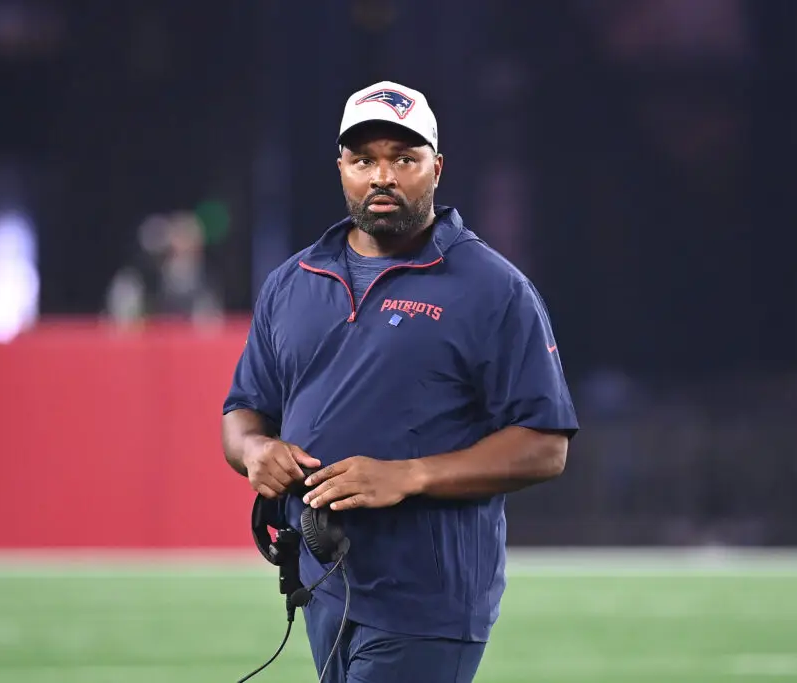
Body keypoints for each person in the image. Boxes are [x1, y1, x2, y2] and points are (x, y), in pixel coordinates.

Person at [222, 80, 579, 683]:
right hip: (325, 577)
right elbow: (243, 411)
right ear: (341, 168)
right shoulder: (293, 280)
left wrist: (409, 474)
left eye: (403, 159)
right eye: (364, 160)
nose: (381, 176)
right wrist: (256, 451)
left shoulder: (493, 288)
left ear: (436, 168)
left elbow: (546, 445)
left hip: (428, 595)